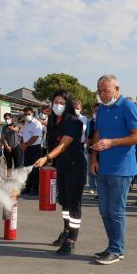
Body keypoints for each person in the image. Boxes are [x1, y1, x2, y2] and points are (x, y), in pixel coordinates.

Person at [90, 74, 137, 265]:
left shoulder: (128, 106)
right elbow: (97, 133)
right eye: (100, 91)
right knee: (104, 211)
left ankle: (117, 250)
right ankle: (113, 245)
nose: (103, 95)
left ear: (117, 89)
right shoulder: (102, 110)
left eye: (106, 90)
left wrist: (112, 142)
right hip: (103, 167)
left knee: (116, 211)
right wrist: (94, 157)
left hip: (122, 169)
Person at [36, 91, 87, 255]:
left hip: (75, 167)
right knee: (64, 203)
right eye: (55, 101)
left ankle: (71, 241)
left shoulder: (74, 122)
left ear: (68, 105)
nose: (58, 105)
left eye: (62, 102)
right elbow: (51, 144)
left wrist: (47, 158)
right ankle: (65, 233)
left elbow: (63, 145)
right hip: (62, 167)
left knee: (74, 205)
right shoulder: (53, 121)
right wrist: (50, 161)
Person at [20, 106, 42, 195]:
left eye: (28, 114)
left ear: (33, 113)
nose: (27, 116)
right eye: (25, 114)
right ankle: (27, 188)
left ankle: (35, 189)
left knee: (35, 169)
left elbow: (35, 137)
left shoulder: (37, 123)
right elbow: (23, 135)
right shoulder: (26, 124)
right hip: (27, 148)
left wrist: (25, 144)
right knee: (26, 169)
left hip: (35, 148)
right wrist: (22, 143)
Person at [86, 103, 100, 197]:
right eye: (94, 110)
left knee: (100, 170)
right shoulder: (91, 122)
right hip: (92, 148)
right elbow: (90, 136)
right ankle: (92, 187)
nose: (96, 112)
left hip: (102, 149)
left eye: (98, 111)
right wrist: (87, 147)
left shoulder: (105, 121)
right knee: (91, 169)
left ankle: (100, 190)